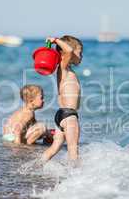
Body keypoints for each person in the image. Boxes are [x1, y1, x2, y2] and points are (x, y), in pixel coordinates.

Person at [41, 35, 83, 163]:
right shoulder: (63, 67)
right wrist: (55, 40)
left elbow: (69, 51)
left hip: (61, 115)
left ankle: (38, 166)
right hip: (69, 116)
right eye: (80, 53)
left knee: (54, 148)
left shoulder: (63, 69)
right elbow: (69, 51)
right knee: (73, 149)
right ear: (65, 52)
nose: (81, 57)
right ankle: (76, 177)